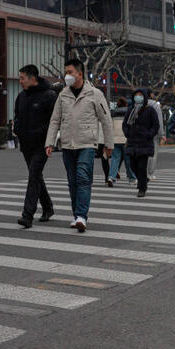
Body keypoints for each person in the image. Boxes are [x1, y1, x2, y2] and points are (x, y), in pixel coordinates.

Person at [45, 59, 114, 233]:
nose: (66, 76)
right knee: (72, 182)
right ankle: (77, 215)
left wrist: (109, 144)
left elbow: (106, 120)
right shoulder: (63, 94)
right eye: (65, 72)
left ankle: (82, 216)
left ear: (79, 74)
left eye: (70, 72)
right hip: (68, 144)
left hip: (87, 143)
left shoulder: (95, 94)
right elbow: (55, 120)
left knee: (83, 178)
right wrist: (50, 142)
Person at [14, 65, 58, 228]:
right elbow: (16, 116)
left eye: (22, 78)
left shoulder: (49, 95)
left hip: (42, 144)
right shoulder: (21, 96)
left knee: (33, 175)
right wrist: (17, 129)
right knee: (36, 176)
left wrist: (41, 134)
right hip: (26, 144)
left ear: (33, 78)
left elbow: (53, 121)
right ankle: (48, 207)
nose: (20, 81)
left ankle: (27, 215)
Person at [123, 89, 160, 198]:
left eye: (140, 95)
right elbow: (125, 124)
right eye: (136, 95)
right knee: (132, 166)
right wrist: (127, 133)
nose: (138, 97)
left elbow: (155, 125)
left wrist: (149, 134)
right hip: (132, 142)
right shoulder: (130, 110)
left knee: (141, 166)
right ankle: (143, 179)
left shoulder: (150, 110)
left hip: (144, 143)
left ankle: (142, 188)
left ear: (144, 97)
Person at [107, 98, 136, 184]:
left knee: (115, 159)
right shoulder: (130, 113)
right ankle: (132, 178)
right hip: (126, 140)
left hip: (115, 140)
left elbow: (110, 128)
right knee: (128, 160)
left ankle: (111, 177)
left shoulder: (112, 114)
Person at [145, 90, 165, 181]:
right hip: (153, 133)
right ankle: (150, 173)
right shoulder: (155, 105)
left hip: (140, 132)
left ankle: (140, 172)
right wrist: (162, 134)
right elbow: (159, 120)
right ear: (151, 94)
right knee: (152, 154)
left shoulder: (138, 104)